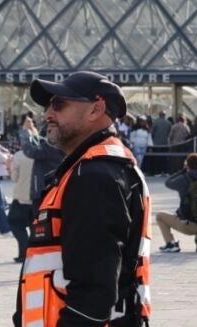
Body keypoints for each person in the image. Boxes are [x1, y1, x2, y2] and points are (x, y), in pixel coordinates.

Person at [15, 72, 150, 327]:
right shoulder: (97, 169)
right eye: (48, 105)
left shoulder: (93, 177)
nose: (48, 113)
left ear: (95, 109)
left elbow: (93, 293)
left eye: (59, 104)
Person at [156, 153, 197, 253]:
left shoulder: (184, 179)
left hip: (188, 226)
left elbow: (168, 182)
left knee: (160, 216)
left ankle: (171, 244)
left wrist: (183, 170)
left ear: (187, 164)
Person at [8, 145, 34, 263]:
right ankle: (33, 252)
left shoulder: (19, 156)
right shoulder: (46, 154)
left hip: (21, 196)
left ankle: (24, 252)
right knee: (35, 226)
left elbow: (14, 177)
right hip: (39, 197)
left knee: (15, 224)